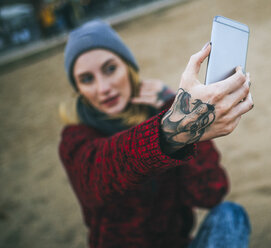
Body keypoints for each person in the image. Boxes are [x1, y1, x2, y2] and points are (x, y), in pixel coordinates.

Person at [59, 20, 253, 248]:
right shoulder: (75, 139)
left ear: (129, 69)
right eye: (87, 79)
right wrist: (171, 130)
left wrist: (175, 105)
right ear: (78, 89)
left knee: (231, 215)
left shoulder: (163, 112)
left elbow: (210, 192)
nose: (103, 88)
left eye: (110, 69)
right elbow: (100, 171)